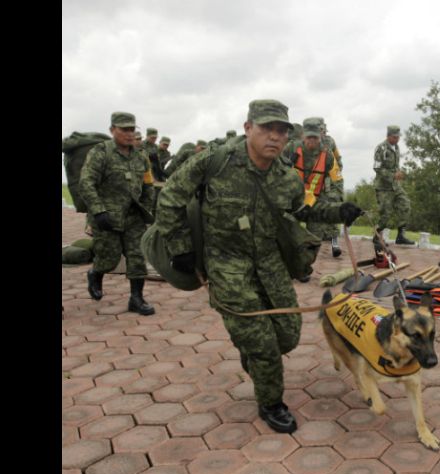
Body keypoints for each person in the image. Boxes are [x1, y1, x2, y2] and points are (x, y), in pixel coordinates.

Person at [154, 99, 363, 433]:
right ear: (248, 127)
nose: (275, 137)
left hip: (270, 264)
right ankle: (271, 402)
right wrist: (181, 247)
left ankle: (252, 353)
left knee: (288, 336)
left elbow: (301, 212)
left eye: (282, 131)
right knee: (264, 346)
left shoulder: (286, 178)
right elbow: (170, 197)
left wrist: (338, 213)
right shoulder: (215, 162)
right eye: (267, 128)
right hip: (226, 265)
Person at [79, 112, 156, 315]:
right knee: (109, 258)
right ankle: (95, 273)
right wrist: (98, 210)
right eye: (124, 129)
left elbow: (148, 185)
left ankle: (136, 299)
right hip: (107, 217)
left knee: (138, 257)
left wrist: (146, 207)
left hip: (133, 217)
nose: (129, 134)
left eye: (132, 129)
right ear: (112, 130)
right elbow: (86, 183)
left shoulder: (141, 157)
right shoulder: (100, 152)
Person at [290, 118, 345, 257]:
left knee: (314, 237)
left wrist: (335, 197)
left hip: (315, 199)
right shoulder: (291, 148)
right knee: (287, 232)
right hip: (292, 198)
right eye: (309, 137)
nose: (312, 141)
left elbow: (337, 180)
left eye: (315, 137)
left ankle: (305, 265)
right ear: (303, 135)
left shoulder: (327, 155)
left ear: (320, 135)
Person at [373, 125, 414, 244]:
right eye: (395, 137)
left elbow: (395, 166)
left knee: (405, 205)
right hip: (383, 187)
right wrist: (392, 176)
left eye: (398, 137)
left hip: (395, 186)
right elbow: (377, 167)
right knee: (385, 213)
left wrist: (398, 173)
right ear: (389, 136)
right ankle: (377, 236)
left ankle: (401, 236)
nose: (397, 139)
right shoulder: (381, 148)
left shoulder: (396, 148)